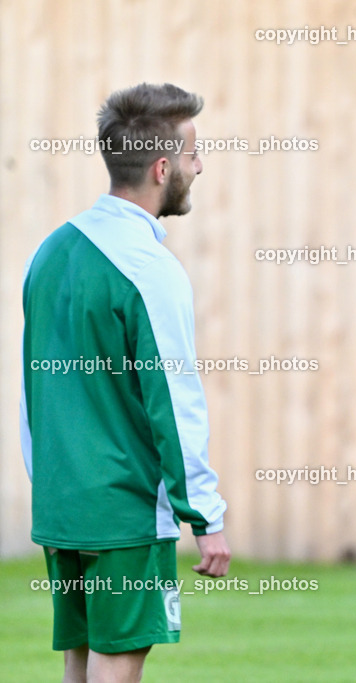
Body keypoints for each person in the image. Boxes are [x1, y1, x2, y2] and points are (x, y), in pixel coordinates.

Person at [20, 83, 231, 683]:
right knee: (118, 664)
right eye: (193, 153)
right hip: (125, 509)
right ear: (163, 167)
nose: (199, 165)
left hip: (64, 504)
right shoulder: (148, 268)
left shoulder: (51, 251)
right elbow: (174, 399)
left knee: (80, 663)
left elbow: (34, 392)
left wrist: (53, 488)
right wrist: (205, 514)